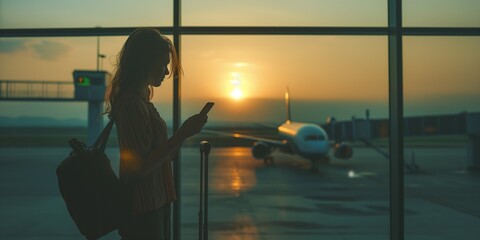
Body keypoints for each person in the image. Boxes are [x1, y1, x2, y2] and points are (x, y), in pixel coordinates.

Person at [105, 28, 207, 240]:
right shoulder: (133, 105)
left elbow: (162, 158)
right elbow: (140, 168)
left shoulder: (143, 103)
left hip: (156, 202)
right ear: (145, 63)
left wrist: (184, 135)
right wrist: (181, 134)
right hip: (143, 208)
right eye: (163, 64)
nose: (167, 71)